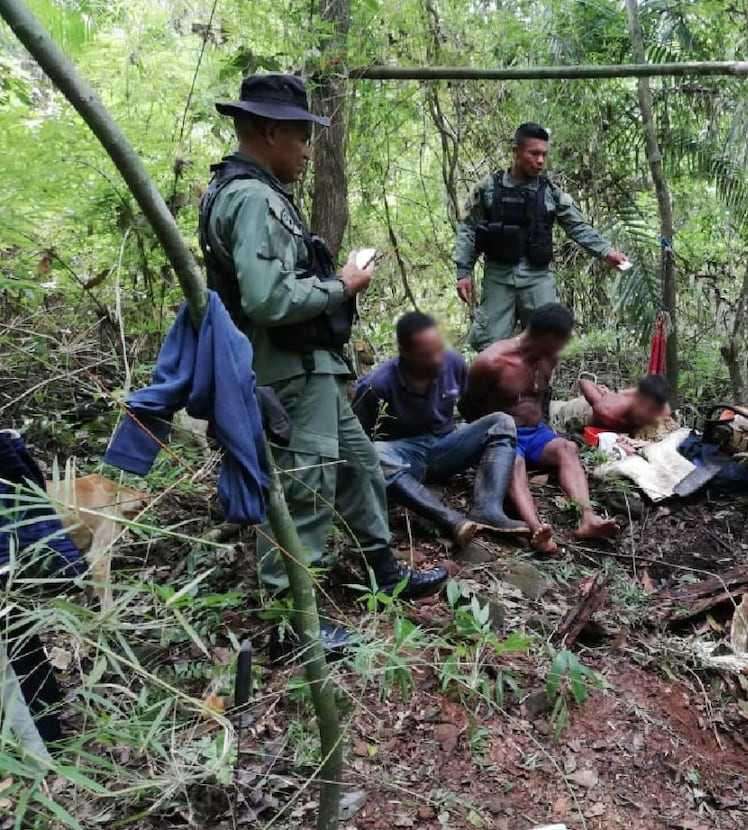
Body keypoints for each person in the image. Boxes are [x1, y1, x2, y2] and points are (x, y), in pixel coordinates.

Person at [199, 73, 447, 608]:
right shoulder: (251, 199)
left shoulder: (252, 194)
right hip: (285, 370)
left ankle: (380, 568)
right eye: (301, 137)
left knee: (359, 465)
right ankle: (293, 617)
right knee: (305, 485)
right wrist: (344, 285)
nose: (308, 150)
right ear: (269, 131)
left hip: (310, 368)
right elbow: (267, 300)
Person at [353, 312, 527, 544]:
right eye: (426, 355)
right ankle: (451, 521)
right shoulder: (376, 385)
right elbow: (356, 443)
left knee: (501, 422)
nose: (436, 360)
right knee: (373, 453)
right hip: (403, 458)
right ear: (405, 353)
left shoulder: (453, 364)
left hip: (446, 446)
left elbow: (469, 407)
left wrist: (486, 445)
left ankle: (488, 509)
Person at [459, 304, 620, 553]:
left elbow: (539, 397)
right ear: (547, 339)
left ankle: (587, 518)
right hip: (503, 435)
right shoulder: (492, 361)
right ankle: (536, 530)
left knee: (568, 448)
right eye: (562, 342)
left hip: (536, 433)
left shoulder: (548, 356)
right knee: (513, 462)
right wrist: (487, 444)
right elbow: (468, 404)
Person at [453, 123, 629, 351]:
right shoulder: (488, 189)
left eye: (544, 155)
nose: (540, 161)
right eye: (534, 153)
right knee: (489, 344)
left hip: (537, 277)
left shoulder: (551, 193)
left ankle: (539, 387)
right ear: (516, 152)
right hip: (498, 275)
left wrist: (607, 252)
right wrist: (463, 271)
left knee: (547, 342)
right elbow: (468, 228)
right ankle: (497, 387)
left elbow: (578, 226)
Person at [551, 374, 672, 436]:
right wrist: (598, 392)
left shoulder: (663, 410)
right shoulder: (608, 410)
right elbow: (584, 382)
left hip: (610, 404)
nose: (649, 413)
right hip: (576, 412)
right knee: (549, 410)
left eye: (653, 409)